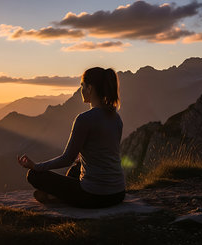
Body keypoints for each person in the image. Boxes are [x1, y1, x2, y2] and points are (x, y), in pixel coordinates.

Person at [17, 67, 126, 208]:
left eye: (82, 85)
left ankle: (59, 197)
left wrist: (36, 166)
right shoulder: (116, 118)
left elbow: (66, 159)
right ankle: (60, 196)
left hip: (95, 196)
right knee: (77, 167)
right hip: (118, 194)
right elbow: (106, 151)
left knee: (33, 175)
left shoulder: (84, 119)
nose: (81, 89)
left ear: (90, 88)